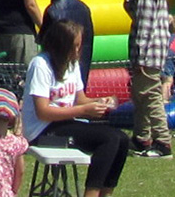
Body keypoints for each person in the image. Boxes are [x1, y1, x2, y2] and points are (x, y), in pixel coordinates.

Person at [24, 19, 130, 197]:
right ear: (61, 45)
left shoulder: (71, 64)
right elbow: (42, 111)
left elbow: (79, 99)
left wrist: (99, 102)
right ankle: (91, 193)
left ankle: (106, 193)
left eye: (79, 46)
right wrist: (84, 111)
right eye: (75, 46)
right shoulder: (41, 65)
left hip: (66, 122)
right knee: (109, 139)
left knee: (122, 139)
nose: (78, 51)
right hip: (41, 129)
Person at [119, 0, 171, 159]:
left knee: (150, 96)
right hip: (151, 52)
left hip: (148, 54)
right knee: (139, 96)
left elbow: (145, 26)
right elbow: (137, 15)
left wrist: (139, 57)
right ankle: (141, 138)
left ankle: (163, 142)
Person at [40, 0, 94, 86]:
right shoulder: (83, 9)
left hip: (57, 66)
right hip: (80, 62)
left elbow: (44, 41)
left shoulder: (53, 9)